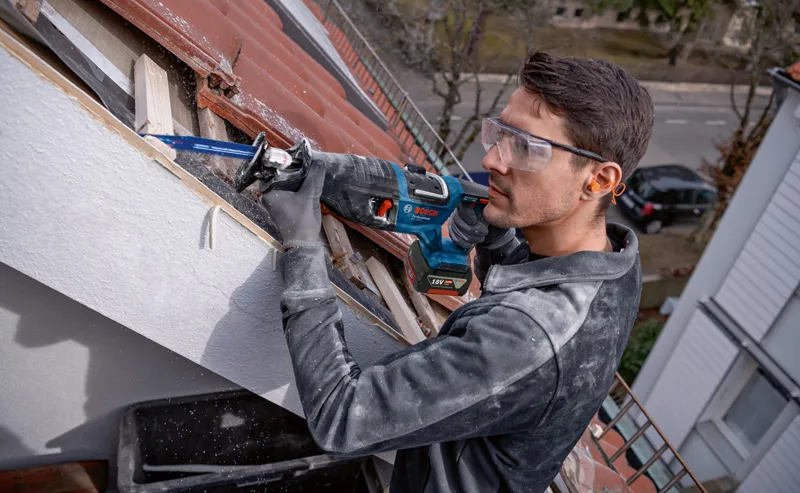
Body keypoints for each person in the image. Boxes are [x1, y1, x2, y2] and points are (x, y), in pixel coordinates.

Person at [262, 50, 654, 493]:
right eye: (500, 133)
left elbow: (342, 416)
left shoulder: (527, 336)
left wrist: (302, 246)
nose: (492, 162)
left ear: (599, 180)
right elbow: (538, 293)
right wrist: (497, 241)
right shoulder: (615, 262)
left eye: (526, 147)